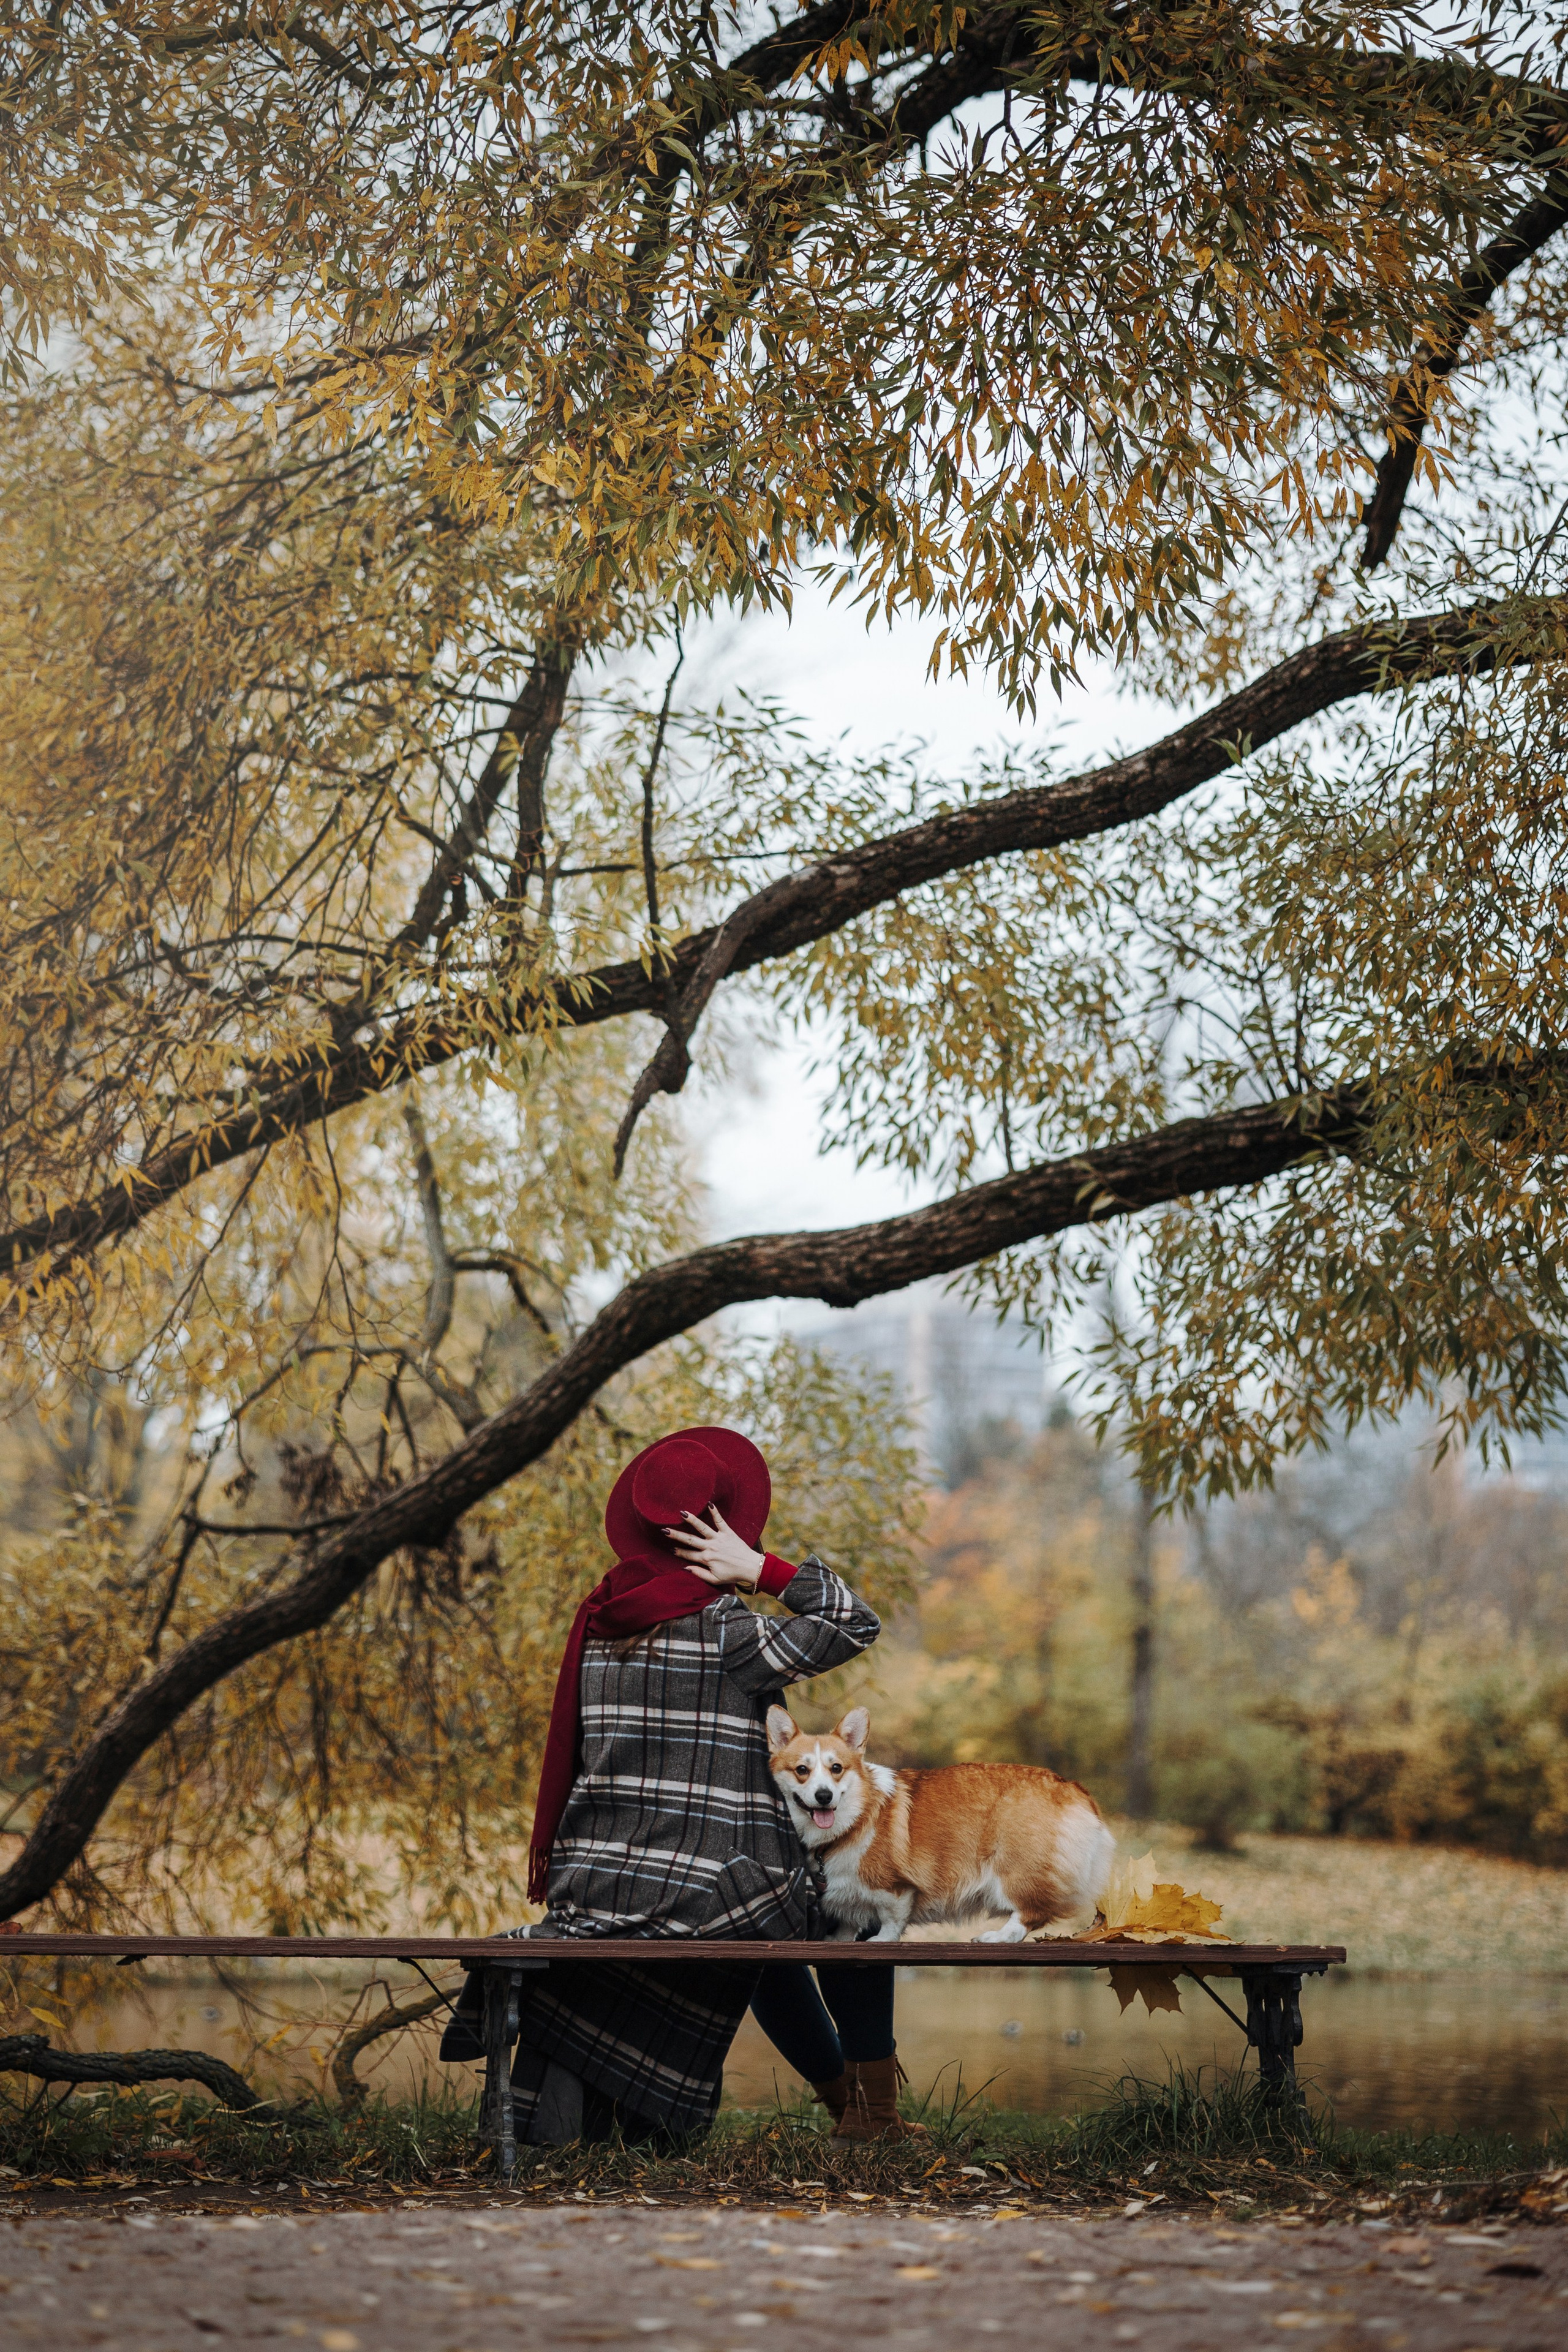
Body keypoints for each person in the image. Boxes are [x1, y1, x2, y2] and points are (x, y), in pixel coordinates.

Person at [441, 1425, 913, 2144]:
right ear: (721, 1530)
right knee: (855, 1910)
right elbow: (854, 1623)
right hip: (698, 1893)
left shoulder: (599, 1628)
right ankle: (869, 2113)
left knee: (768, 1939)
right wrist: (760, 1567)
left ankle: (849, 2109)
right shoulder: (729, 1635)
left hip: (594, 1888)